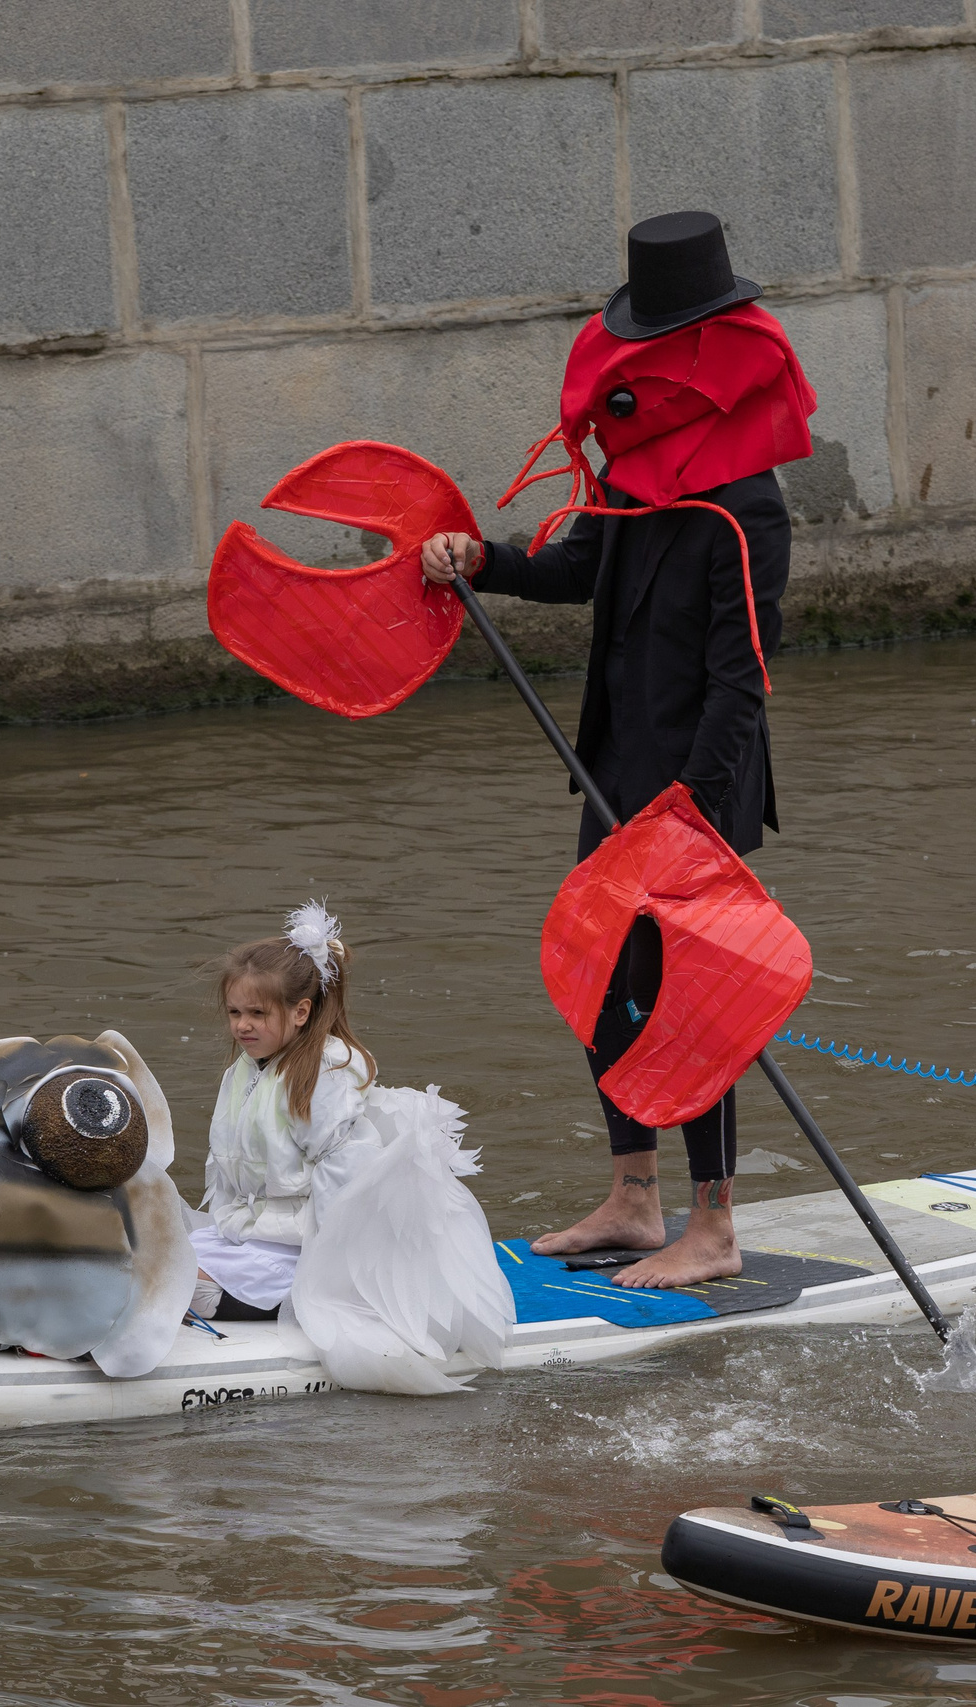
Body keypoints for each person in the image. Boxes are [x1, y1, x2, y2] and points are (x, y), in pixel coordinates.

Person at [422, 210, 814, 1291]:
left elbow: (743, 684)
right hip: (612, 771)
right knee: (603, 981)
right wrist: (479, 558)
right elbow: (571, 571)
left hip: (698, 790)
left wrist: (690, 808)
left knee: (690, 1000)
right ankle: (634, 1199)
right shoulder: (640, 475)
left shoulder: (748, 509)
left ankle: (715, 1225)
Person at [189, 902, 514, 1394]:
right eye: (235, 1013)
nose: (242, 1026)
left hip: (303, 1247)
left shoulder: (325, 1074)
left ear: (301, 1012)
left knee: (176, 1281)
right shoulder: (244, 1070)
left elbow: (346, 1185)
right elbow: (226, 1165)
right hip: (253, 1233)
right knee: (149, 1252)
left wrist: (332, 1276)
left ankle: (235, 1302)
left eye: (257, 1013)